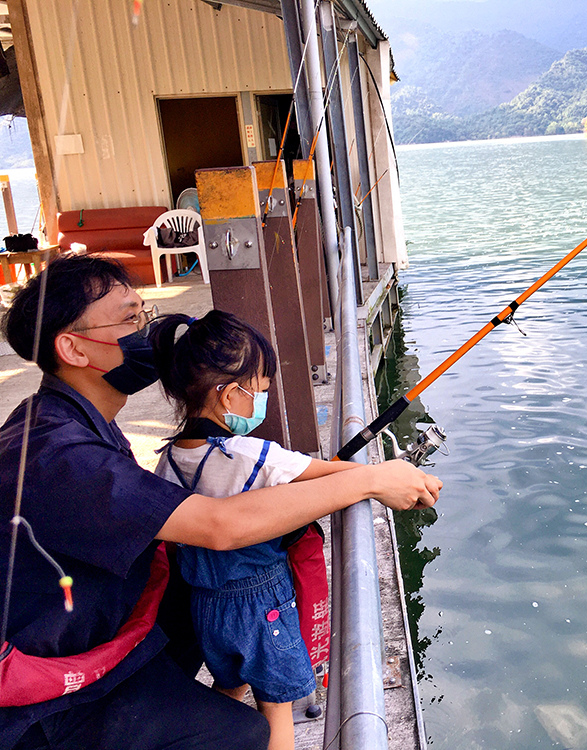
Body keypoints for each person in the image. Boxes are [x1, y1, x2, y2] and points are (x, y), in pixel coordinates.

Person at [0, 256, 441, 750]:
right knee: (244, 736)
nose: (146, 332)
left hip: (102, 635)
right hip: (48, 704)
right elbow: (218, 525)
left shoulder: (65, 418)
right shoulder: (58, 453)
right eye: (129, 319)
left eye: (143, 313)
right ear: (73, 347)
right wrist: (369, 482)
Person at [148, 310, 358, 750]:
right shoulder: (253, 455)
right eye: (259, 391)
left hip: (205, 606)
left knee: (227, 688)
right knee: (276, 706)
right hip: (262, 607)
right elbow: (330, 475)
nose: (262, 401)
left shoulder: (167, 460)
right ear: (229, 396)